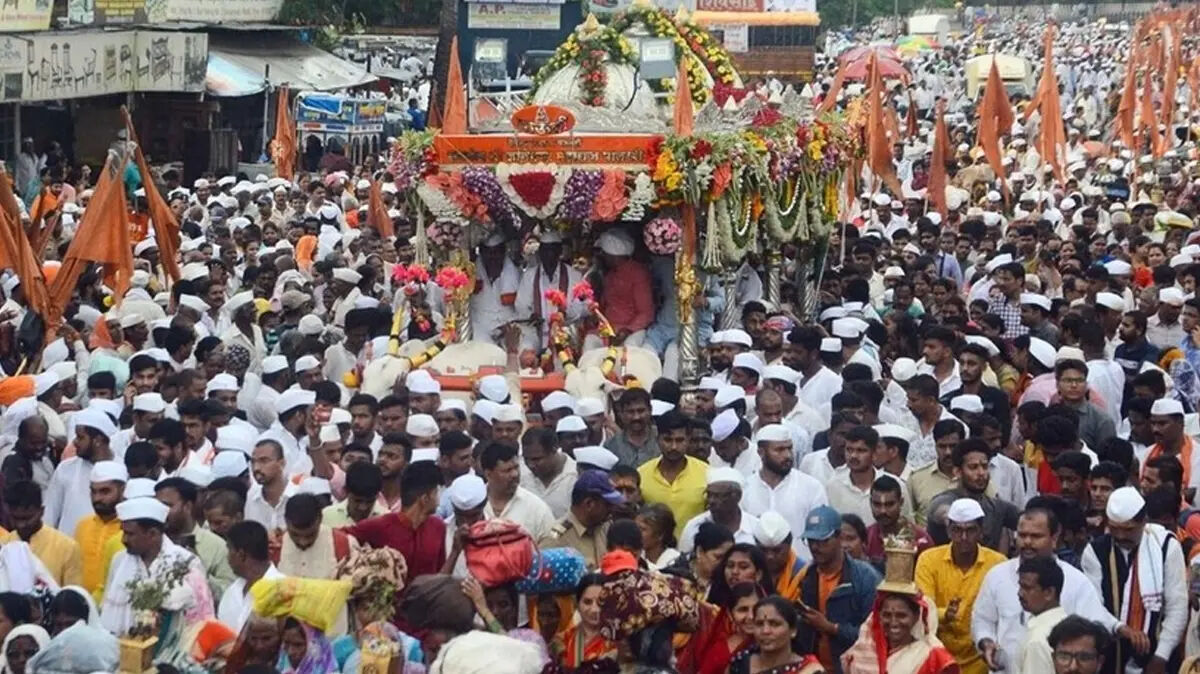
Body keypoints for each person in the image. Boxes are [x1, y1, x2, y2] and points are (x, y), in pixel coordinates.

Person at [971, 507, 1137, 674]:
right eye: (1022, 535)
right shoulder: (997, 576)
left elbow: (1095, 622)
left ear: (1054, 537)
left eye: (1036, 536)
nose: (1027, 542)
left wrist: (1118, 627)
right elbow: (982, 619)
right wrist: (985, 641)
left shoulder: (1075, 581)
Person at [1079, 487, 1186, 673]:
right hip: (1111, 652)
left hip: (1160, 652)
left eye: (1128, 530)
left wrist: (1161, 657)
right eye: (1114, 529)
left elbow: (1177, 606)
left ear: (1143, 522)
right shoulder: (1095, 551)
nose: (1120, 536)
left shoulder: (1166, 547)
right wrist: (1121, 628)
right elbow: (1093, 605)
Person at [99, 496, 214, 635]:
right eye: (123, 532)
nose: (124, 539)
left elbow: (201, 616)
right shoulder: (119, 560)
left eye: (130, 534)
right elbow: (106, 606)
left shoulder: (185, 562)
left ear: (152, 534)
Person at [914, 498, 1005, 674]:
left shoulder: (997, 564)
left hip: (982, 661)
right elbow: (922, 608)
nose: (963, 537)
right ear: (948, 531)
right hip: (937, 659)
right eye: (957, 530)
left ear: (980, 531)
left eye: (970, 530)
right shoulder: (929, 560)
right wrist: (943, 614)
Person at [796, 505, 881, 672]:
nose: (815, 547)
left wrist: (831, 628)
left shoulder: (865, 578)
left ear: (839, 537)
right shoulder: (806, 576)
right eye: (811, 541)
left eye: (822, 541)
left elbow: (875, 635)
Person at [343, 461, 446, 577]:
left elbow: (440, 573)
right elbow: (339, 538)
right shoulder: (380, 525)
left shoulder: (438, 527)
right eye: (436, 493)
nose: (438, 500)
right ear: (425, 498)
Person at [1, 480, 82, 587]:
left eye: (27, 518)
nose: (21, 525)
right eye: (16, 518)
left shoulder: (67, 547)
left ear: (41, 511)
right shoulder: (3, 546)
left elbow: (72, 596)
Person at [540, 470, 622, 569]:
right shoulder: (556, 540)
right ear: (589, 504)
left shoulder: (605, 527)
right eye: (608, 505)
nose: (612, 509)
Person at [726, 596, 825, 674]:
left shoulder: (809, 670)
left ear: (793, 631)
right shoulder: (740, 663)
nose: (765, 631)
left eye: (774, 624)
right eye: (759, 624)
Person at [218, 520, 284, 631]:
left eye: (229, 550)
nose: (227, 557)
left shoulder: (282, 590)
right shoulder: (232, 592)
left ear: (241, 555)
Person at [1016, 556, 1067, 673]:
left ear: (1049, 593)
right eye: (1020, 586)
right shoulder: (1066, 623)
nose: (1020, 593)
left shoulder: (1037, 640)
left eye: (1027, 588)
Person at [554, 574, 617, 668]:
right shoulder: (563, 641)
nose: (595, 609)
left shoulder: (618, 643)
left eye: (601, 602)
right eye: (587, 602)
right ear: (577, 604)